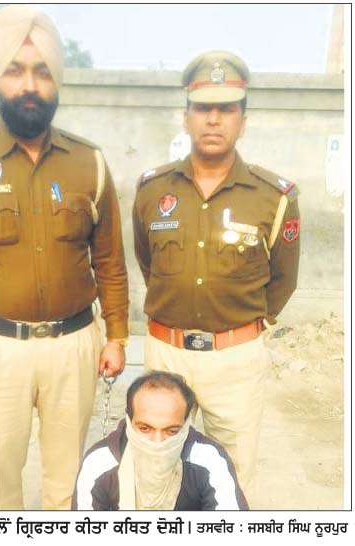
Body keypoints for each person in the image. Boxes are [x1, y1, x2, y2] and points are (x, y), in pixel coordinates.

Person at [0, 5, 129, 510]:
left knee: (68, 484)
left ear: (56, 81)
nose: (29, 85)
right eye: (15, 70)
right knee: (0, 485)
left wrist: (117, 334)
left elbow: (109, 259)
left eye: (41, 71)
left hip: (74, 347)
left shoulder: (89, 162)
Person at [132, 50, 300, 499]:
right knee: (156, 471)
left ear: (243, 120)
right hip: (167, 354)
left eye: (226, 109)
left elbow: (283, 280)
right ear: (185, 117)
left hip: (236, 361)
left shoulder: (273, 196)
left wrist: (243, 327)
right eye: (203, 108)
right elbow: (149, 264)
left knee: (233, 479)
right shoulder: (152, 190)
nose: (213, 119)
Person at [72, 371, 247, 510]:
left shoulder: (209, 460)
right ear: (129, 422)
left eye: (171, 431)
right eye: (145, 428)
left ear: (186, 426)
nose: (157, 442)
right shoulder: (99, 463)